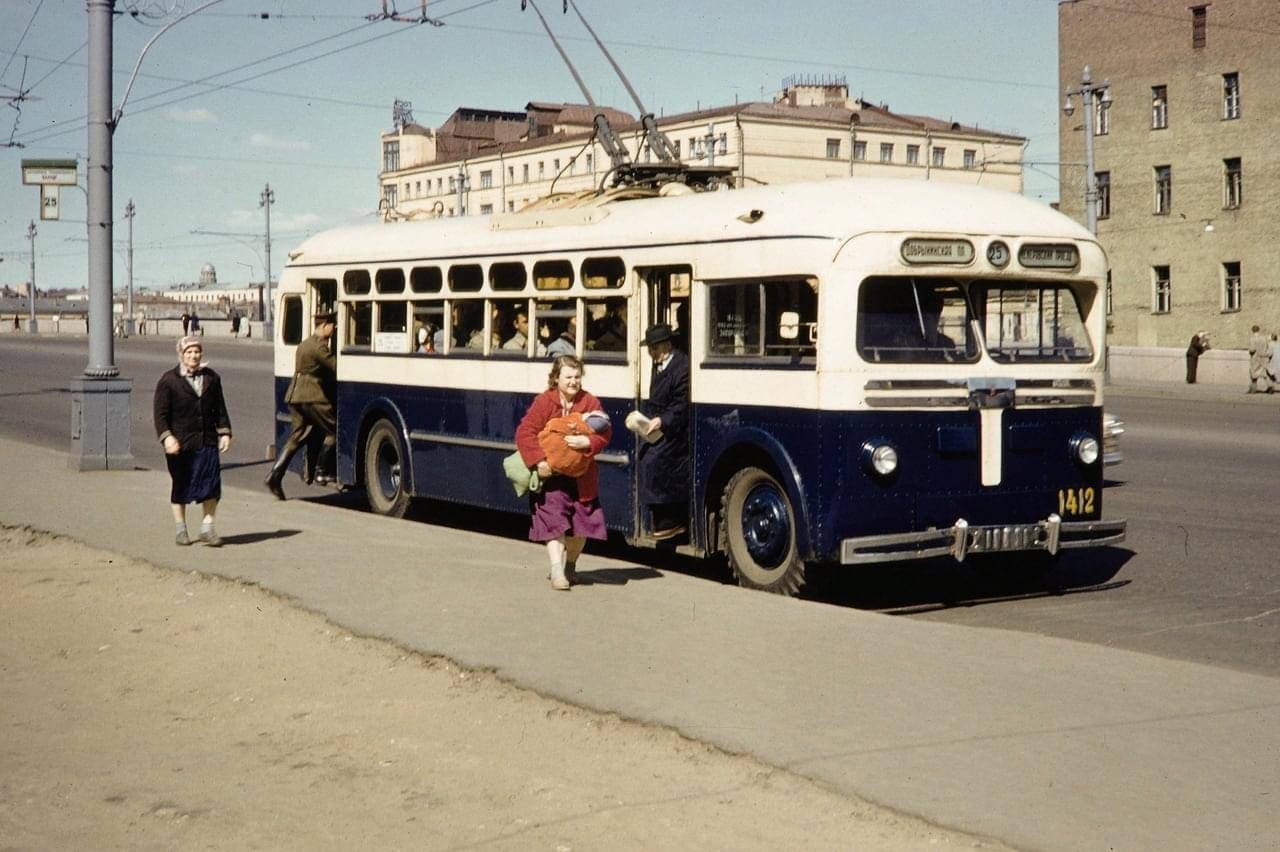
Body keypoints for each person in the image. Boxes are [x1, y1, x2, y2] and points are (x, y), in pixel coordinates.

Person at [515, 355, 611, 590]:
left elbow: (605, 432)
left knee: (582, 527)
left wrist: (587, 441)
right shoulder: (544, 402)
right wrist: (539, 462)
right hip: (552, 476)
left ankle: (570, 565)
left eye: (577, 377)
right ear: (556, 378)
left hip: (582, 476)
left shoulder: (589, 402)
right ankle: (557, 570)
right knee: (553, 521)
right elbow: (524, 433)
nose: (573, 381)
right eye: (568, 377)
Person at [153, 336, 233, 546]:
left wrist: (225, 432)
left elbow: (220, 409)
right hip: (181, 444)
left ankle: (207, 527)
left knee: (212, 485)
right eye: (189, 352)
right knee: (182, 485)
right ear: (181, 354)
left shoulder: (211, 378)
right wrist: (167, 438)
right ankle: (181, 529)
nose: (193, 356)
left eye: (197, 352)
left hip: (207, 440)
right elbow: (160, 415)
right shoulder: (169, 380)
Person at [265, 311, 338, 499]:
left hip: (295, 394)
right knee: (334, 431)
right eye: (332, 325)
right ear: (324, 326)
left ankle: (275, 475)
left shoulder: (305, 344)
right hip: (312, 395)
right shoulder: (320, 347)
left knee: (297, 436)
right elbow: (336, 367)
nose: (335, 328)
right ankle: (321, 472)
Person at [637, 323, 690, 540]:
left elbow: (680, 404)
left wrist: (662, 420)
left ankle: (671, 520)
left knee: (655, 460)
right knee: (645, 457)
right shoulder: (659, 364)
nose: (652, 354)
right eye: (650, 349)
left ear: (667, 346)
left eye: (655, 349)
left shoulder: (682, 367)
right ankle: (660, 520)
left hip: (675, 429)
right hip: (657, 424)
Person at [1247, 325, 1272, 393]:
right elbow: (1267, 347)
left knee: (1254, 373)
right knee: (1264, 373)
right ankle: (1270, 387)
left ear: (1252, 330)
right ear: (1258, 330)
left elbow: (1252, 349)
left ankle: (1252, 389)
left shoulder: (1252, 339)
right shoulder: (1264, 338)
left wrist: (1249, 351)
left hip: (1256, 358)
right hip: (1264, 357)